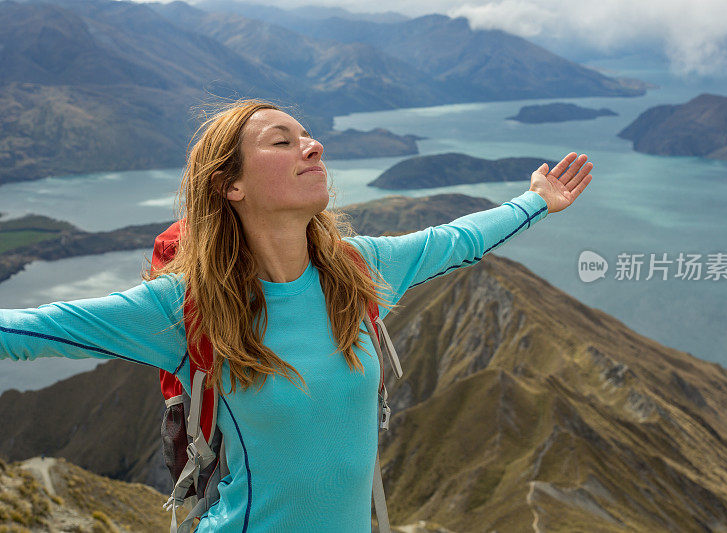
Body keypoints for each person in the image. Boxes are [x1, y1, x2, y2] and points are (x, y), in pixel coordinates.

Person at [0, 100, 592, 532]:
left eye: (308, 136)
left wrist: (537, 201)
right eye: (283, 142)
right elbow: (29, 330)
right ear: (230, 184)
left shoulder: (357, 269)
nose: (315, 146)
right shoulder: (184, 308)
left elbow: (458, 238)